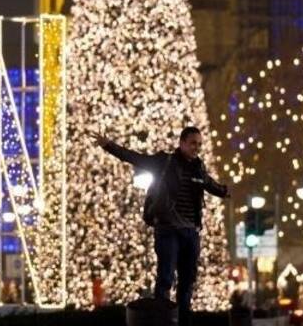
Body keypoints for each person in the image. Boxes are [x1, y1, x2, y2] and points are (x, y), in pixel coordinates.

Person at [91, 126, 229, 326]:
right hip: (168, 230)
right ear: (181, 143)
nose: (196, 148)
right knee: (165, 277)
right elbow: (135, 158)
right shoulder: (164, 161)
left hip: (191, 232)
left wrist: (223, 191)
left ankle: (182, 321)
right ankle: (161, 321)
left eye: (199, 144)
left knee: (187, 282)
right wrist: (109, 146)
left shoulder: (199, 167)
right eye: (192, 143)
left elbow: (208, 183)